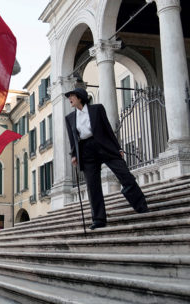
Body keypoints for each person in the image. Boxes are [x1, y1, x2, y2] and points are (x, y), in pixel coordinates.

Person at [64, 87, 149, 230]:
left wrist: (118, 147)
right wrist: (74, 155)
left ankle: (141, 206)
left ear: (80, 97)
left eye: (71, 96)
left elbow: (108, 128)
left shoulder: (97, 109)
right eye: (69, 97)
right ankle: (98, 219)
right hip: (86, 151)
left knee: (125, 175)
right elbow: (73, 139)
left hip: (104, 145)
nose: (69, 99)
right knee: (93, 186)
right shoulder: (70, 118)